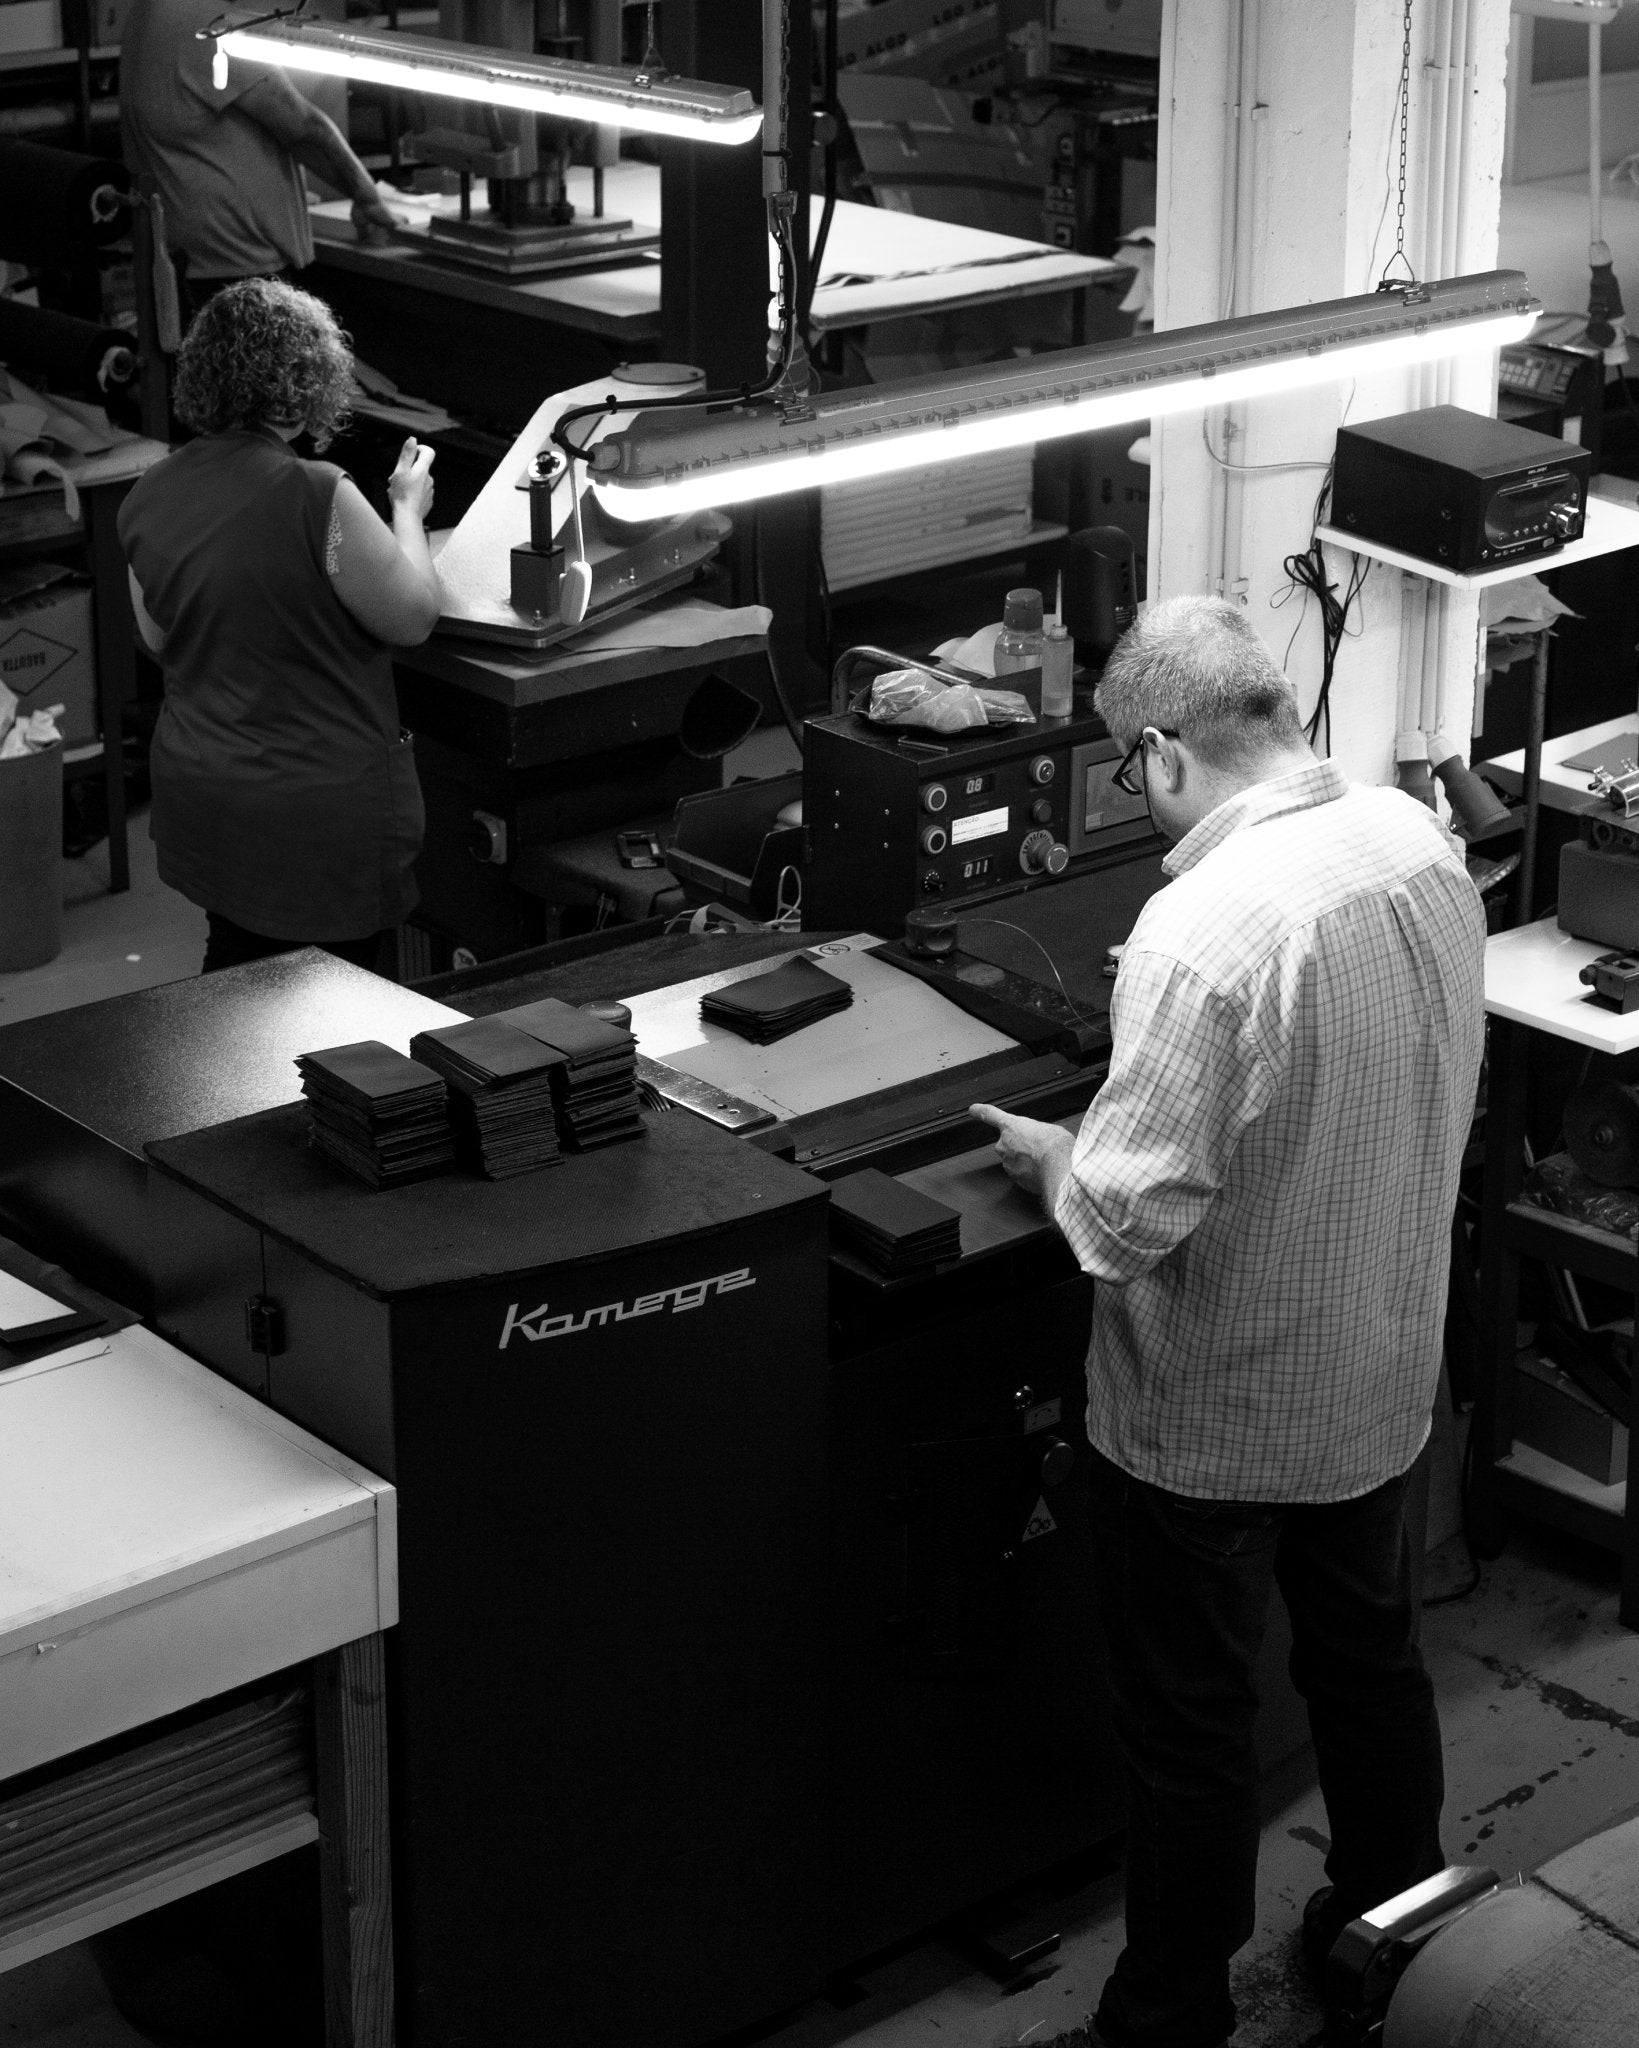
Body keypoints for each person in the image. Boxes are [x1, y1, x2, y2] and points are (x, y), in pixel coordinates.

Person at [971, 595, 1485, 2048]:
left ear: (1154, 753)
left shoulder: (1201, 927)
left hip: (1212, 1421)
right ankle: (1398, 1937)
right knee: (1366, 1671)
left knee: (1189, 1735)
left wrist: (1050, 1154)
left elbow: (1124, 1221)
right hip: (1379, 1372)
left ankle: (1167, 2010)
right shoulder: (1411, 841)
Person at [118, 278, 442, 975]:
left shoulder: (147, 492)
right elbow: (412, 615)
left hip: (207, 793)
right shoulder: (315, 495)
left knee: (238, 977)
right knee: (342, 1026)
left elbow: (159, 638)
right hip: (311, 815)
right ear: (309, 383)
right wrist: (407, 510)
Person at [121, 0, 399, 319]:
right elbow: (303, 128)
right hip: (236, 272)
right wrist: (368, 199)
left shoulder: (151, 12)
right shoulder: (206, 22)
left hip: (191, 264)